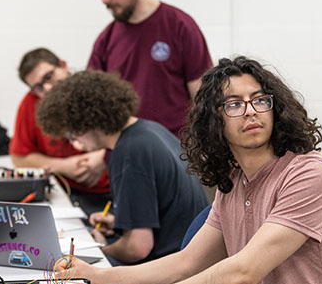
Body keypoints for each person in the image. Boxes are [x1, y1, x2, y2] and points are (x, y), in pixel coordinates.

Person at [54, 57, 322, 284]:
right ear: (214, 120)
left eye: (259, 100)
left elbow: (244, 271)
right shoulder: (234, 180)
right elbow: (186, 262)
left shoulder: (309, 174)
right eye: (233, 104)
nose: (250, 111)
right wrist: (101, 276)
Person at [36, 70, 208, 265]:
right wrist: (122, 222)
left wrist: (102, 249)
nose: (76, 145)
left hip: (170, 268)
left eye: (72, 136)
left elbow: (138, 248)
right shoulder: (150, 129)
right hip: (190, 256)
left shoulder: (128, 153)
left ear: (87, 123)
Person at [85, 0, 212, 136]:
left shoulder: (179, 25)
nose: (104, 0)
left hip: (177, 151)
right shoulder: (106, 40)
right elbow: (92, 101)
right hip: (125, 151)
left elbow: (202, 95)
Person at [9, 48, 110, 211]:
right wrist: (63, 166)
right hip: (64, 194)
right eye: (38, 87)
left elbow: (135, 138)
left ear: (63, 66)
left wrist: (105, 157)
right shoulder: (30, 104)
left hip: (111, 193)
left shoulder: (98, 93)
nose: (48, 88)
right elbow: (19, 157)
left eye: (49, 76)